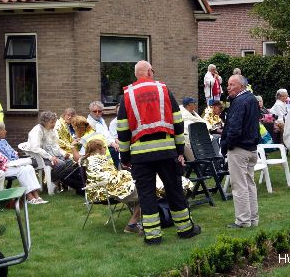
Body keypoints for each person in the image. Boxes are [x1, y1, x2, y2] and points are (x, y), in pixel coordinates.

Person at [118, 60, 201, 245]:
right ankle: (185, 230)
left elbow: (122, 130)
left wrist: (125, 157)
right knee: (174, 190)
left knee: (146, 195)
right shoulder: (163, 90)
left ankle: (153, 236)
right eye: (152, 71)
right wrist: (180, 150)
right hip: (166, 152)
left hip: (140, 155)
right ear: (149, 71)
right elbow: (178, 122)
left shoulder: (127, 95)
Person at [220, 74, 260, 228]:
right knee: (250, 184)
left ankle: (243, 221)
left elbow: (234, 128)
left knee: (239, 186)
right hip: (251, 148)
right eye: (228, 84)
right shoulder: (252, 99)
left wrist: (226, 145)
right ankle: (253, 219)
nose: (228, 87)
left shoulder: (239, 101)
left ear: (242, 86)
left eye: (232, 84)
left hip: (239, 149)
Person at [82, 139, 142, 234]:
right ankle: (132, 224)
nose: (106, 149)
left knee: (144, 189)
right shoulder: (94, 160)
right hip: (109, 191)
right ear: (98, 149)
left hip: (112, 188)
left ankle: (137, 222)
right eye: (104, 147)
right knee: (146, 193)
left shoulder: (95, 159)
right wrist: (123, 175)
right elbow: (103, 178)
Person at [0, 121, 47, 204]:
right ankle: (29, 197)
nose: (6, 131)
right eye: (3, 130)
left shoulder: (2, 141)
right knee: (22, 170)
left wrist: (14, 158)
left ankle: (36, 196)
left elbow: (12, 153)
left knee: (29, 167)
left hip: (10, 165)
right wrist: (12, 160)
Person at [25, 111, 74, 184]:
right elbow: (35, 148)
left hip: (49, 155)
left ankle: (61, 181)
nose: (54, 124)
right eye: (52, 122)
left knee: (70, 161)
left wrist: (64, 154)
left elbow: (55, 146)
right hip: (38, 157)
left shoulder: (51, 130)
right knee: (61, 164)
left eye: (54, 122)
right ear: (44, 122)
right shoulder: (37, 130)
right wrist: (50, 157)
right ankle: (50, 181)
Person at [87, 101, 120, 168]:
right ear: (90, 111)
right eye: (95, 111)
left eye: (99, 111)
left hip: (108, 145)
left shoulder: (101, 120)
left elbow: (108, 134)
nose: (97, 113)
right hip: (99, 149)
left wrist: (113, 142)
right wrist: (111, 143)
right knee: (114, 151)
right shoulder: (89, 123)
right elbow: (98, 139)